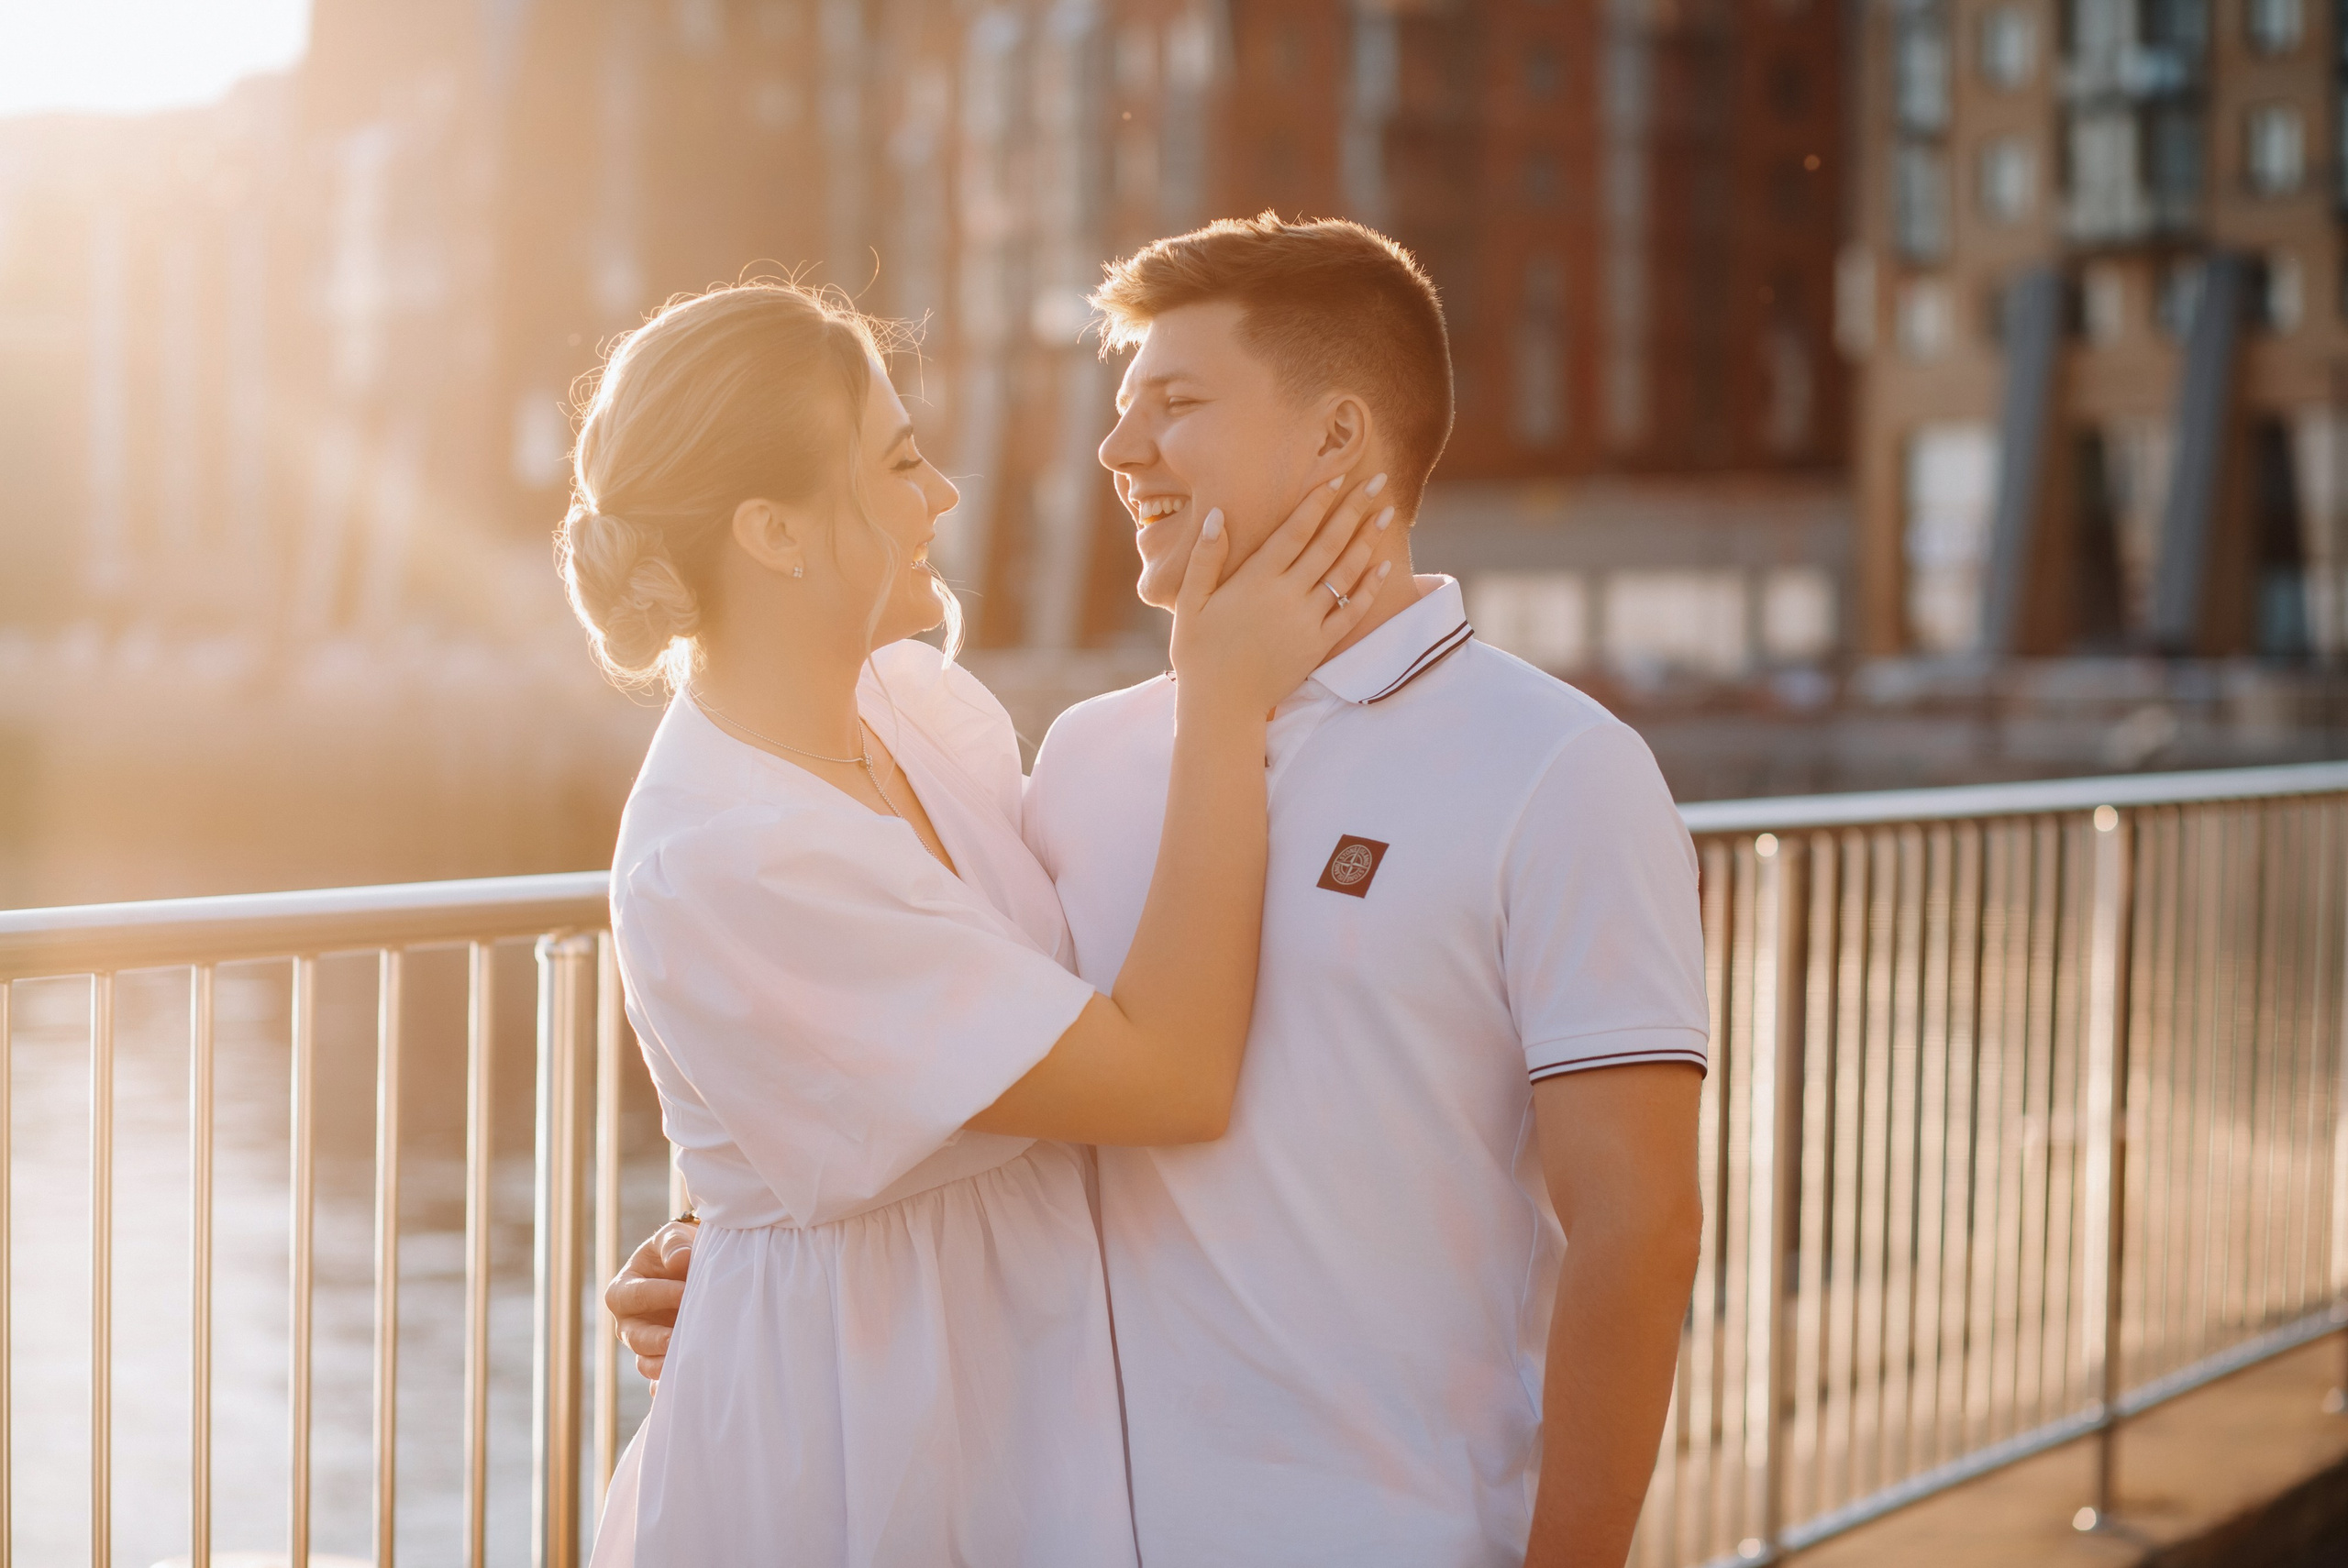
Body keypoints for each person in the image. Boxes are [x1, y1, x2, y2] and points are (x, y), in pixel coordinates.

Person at [612, 217, 1710, 1568]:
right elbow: (947, 1037)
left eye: (1174, 406)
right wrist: (742, 1229)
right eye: (1120, 410)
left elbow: (1642, 1225)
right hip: (1072, 1514)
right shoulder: (1087, 760)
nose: (1117, 453)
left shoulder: (1560, 770)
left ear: (1337, 439)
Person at [561, 278, 1387, 1566]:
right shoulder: (733, 849)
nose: (941, 494)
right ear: (775, 531)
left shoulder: (911, 711)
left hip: (993, 1380)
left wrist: (721, 1223)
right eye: (897, 461)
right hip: (861, 1434)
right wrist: (1220, 701)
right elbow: (1167, 1072)